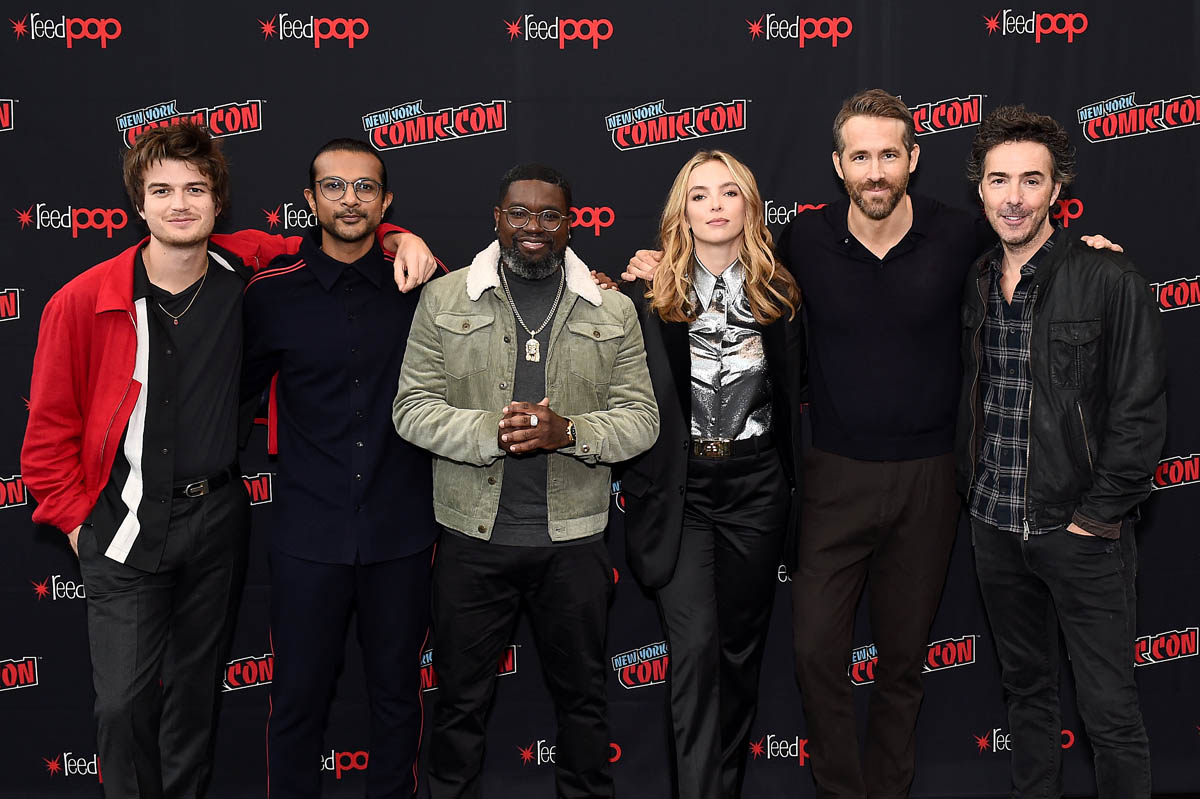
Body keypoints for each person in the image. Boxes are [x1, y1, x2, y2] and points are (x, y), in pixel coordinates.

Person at [622, 89, 1121, 799]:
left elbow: (1030, 251)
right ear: (839, 165)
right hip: (831, 477)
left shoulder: (960, 236)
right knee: (814, 652)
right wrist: (653, 263)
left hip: (931, 480)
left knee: (903, 661)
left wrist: (1086, 253)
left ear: (913, 158)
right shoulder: (803, 242)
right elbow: (720, 265)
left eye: (890, 154)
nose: (876, 170)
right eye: (861, 156)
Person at [19, 122, 434, 798]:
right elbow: (45, 440)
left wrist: (399, 236)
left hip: (216, 520)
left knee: (193, 700)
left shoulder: (245, 270)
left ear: (218, 201)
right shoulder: (82, 300)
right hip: (122, 524)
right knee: (122, 705)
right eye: (162, 191)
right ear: (138, 203)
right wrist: (76, 526)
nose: (180, 204)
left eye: (195, 189)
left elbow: (339, 235)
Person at [392, 163, 658, 798]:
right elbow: (411, 409)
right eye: (519, 213)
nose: (532, 226)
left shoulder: (613, 308)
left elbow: (642, 420)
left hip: (574, 543)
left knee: (584, 706)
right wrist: (495, 431)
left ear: (570, 224)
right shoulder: (445, 298)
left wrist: (569, 433)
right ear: (497, 219)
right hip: (472, 542)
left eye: (548, 215)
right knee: (458, 707)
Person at [957, 105, 1165, 799]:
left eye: (1031, 180)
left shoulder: (1109, 278)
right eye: (999, 180)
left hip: (1080, 532)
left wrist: (1096, 518)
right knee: (1026, 695)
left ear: (1056, 190)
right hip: (995, 525)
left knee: (1110, 713)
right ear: (981, 189)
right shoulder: (977, 277)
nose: (1014, 197)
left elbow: (1139, 411)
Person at [242, 138, 441, 798]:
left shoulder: (424, 286)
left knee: (398, 697)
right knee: (296, 700)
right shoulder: (270, 295)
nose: (349, 199)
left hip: (402, 531)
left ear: (386, 202)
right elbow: (230, 396)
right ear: (310, 199)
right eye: (333, 186)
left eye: (364, 187)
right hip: (307, 533)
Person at [618, 149, 804, 799]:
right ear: (683, 211)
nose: (716, 205)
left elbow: (795, 390)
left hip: (757, 486)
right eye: (700, 194)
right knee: (694, 648)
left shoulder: (781, 293)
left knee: (739, 653)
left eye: (729, 192)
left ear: (750, 205)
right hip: (683, 489)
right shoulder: (648, 292)